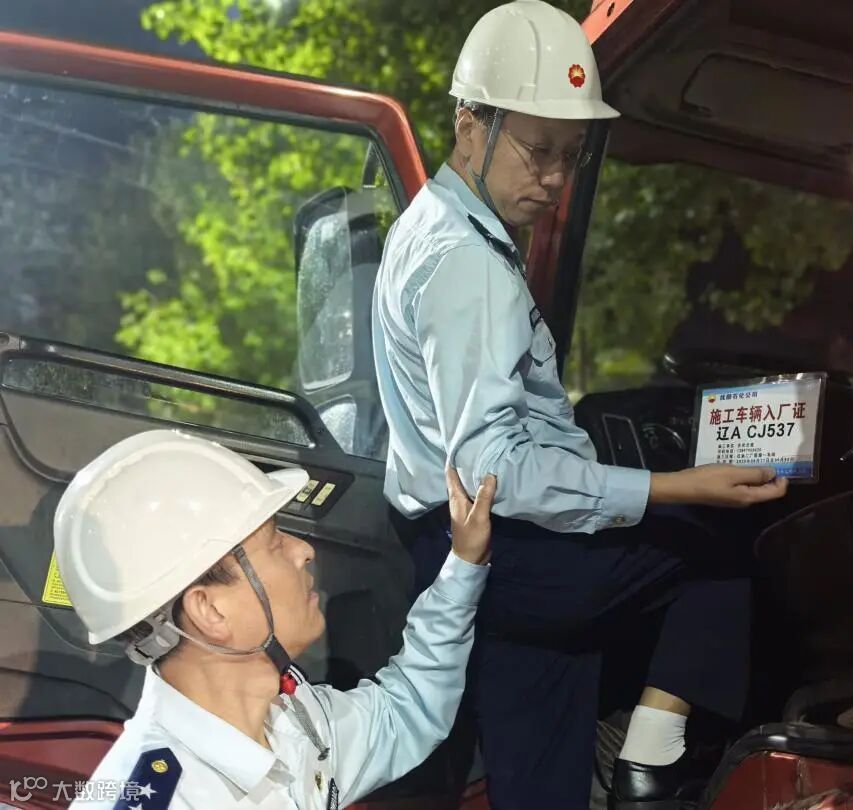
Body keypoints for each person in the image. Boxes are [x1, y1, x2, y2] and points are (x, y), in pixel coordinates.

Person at [372, 2, 789, 807]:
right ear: (470, 125)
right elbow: (495, 468)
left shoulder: (428, 227)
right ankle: (649, 760)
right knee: (722, 538)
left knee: (538, 778)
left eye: (571, 156)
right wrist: (675, 487)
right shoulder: (470, 264)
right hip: (507, 547)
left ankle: (615, 752)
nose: (556, 179)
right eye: (539, 152)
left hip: (457, 552)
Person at [55, 429, 495, 809]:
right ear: (210, 610)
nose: (303, 550)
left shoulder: (293, 720)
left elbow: (404, 711)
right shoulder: (168, 796)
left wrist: (464, 564)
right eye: (273, 544)